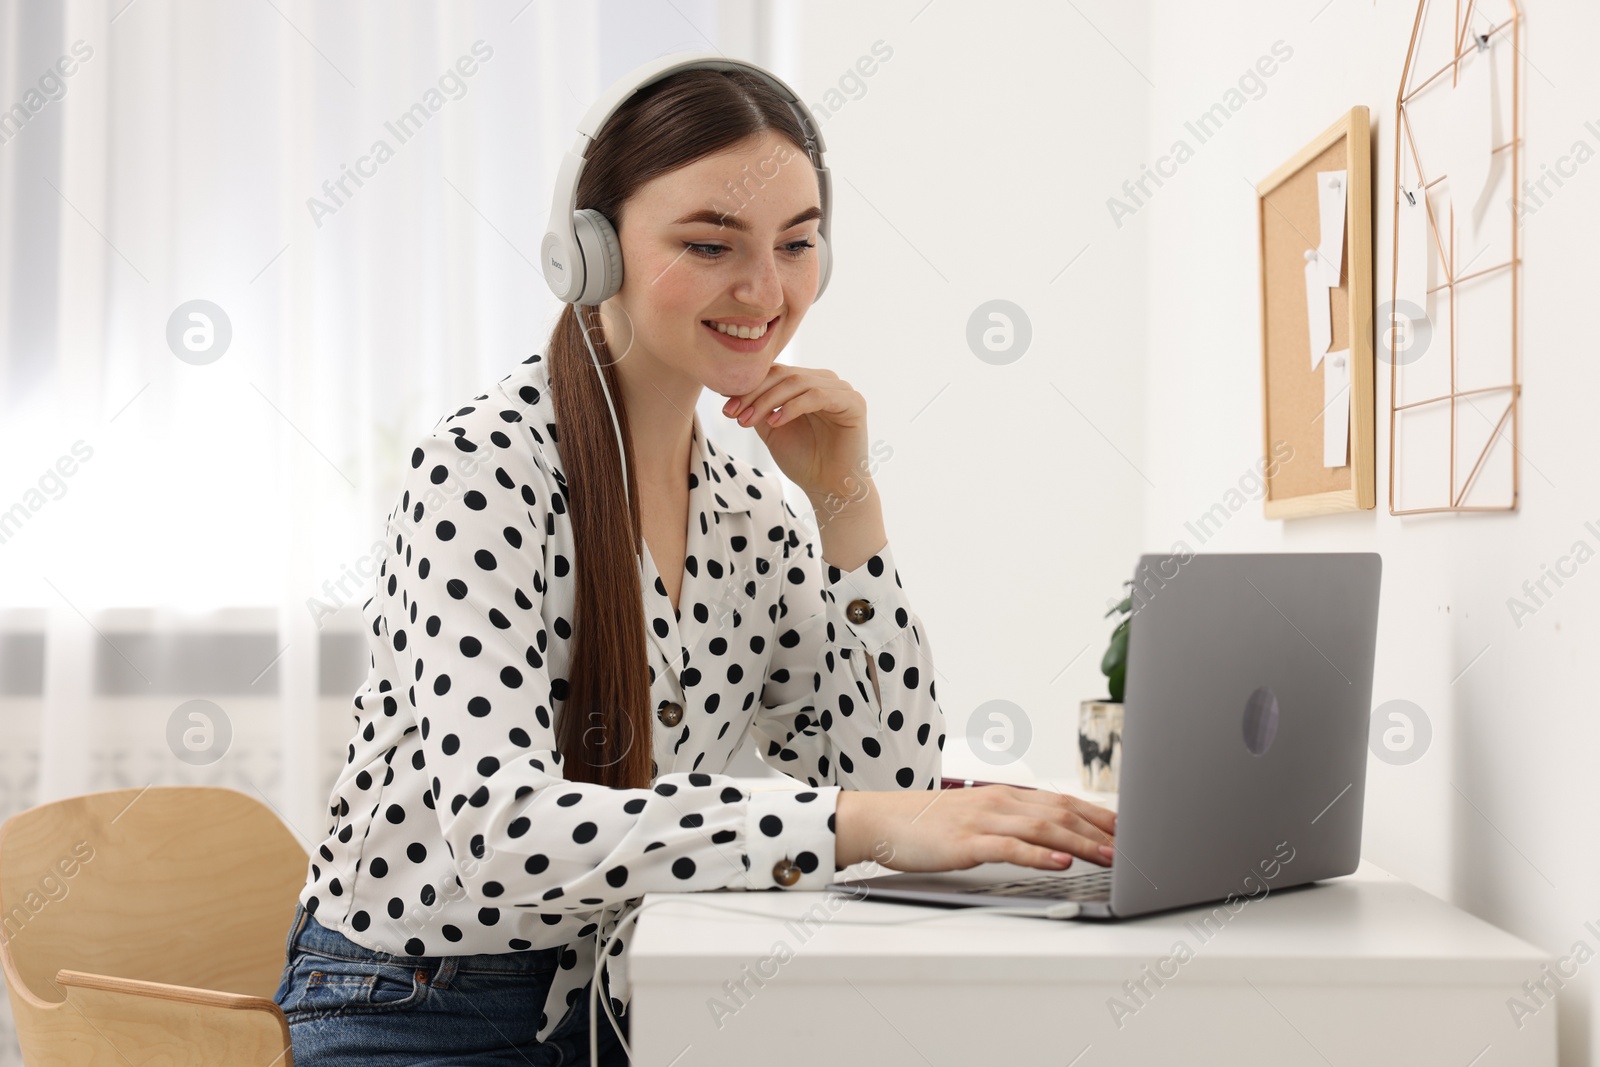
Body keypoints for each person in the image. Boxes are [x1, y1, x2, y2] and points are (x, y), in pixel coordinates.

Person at [272, 55, 1116, 1066]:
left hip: (628, 992)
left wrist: (847, 502)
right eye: (710, 243)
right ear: (589, 252)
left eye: (798, 244)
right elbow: (505, 835)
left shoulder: (749, 506)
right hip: (416, 1004)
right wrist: (861, 821)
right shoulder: (479, 468)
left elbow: (880, 774)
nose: (766, 289)